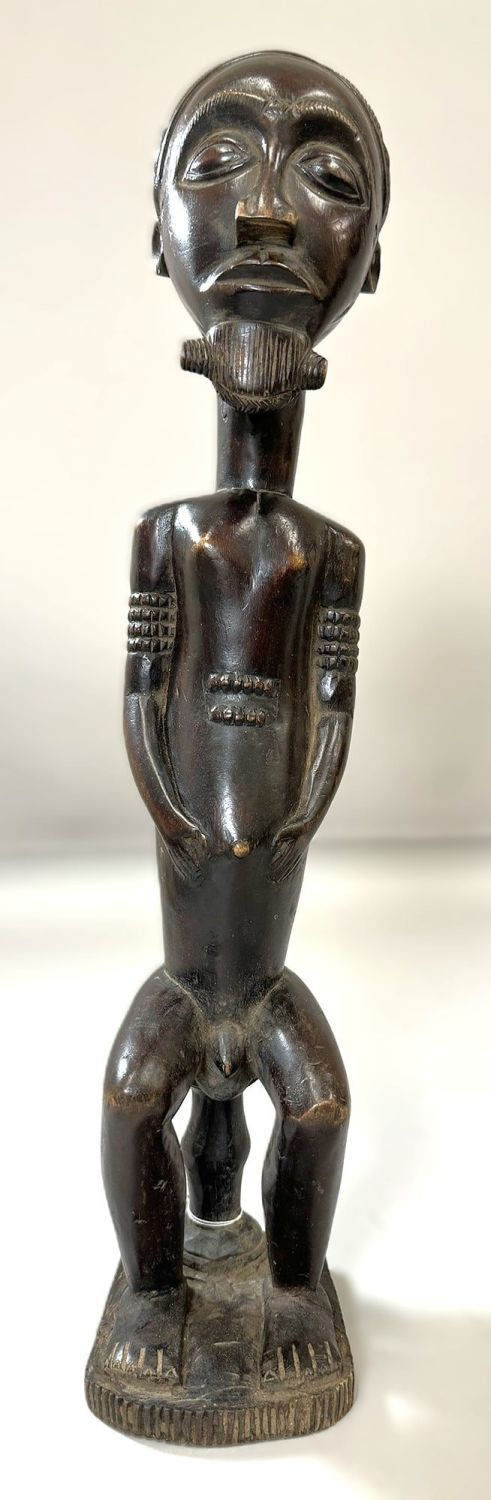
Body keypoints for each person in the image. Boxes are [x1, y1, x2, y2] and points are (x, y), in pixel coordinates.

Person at [102, 50, 390, 1384]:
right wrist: (177, 810)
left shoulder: (329, 552)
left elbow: (331, 706)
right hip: (189, 967)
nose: (268, 208)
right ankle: (154, 1289)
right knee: (134, 1099)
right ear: (161, 229)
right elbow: (139, 690)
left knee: (314, 1107)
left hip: (260, 969)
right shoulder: (169, 537)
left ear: (368, 262)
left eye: (326, 175)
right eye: (218, 163)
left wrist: (294, 816)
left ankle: (293, 1286)